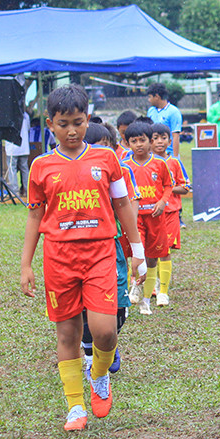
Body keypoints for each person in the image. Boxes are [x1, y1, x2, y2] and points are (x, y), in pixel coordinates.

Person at [20, 84, 145, 432]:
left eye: (77, 122)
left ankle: (100, 375)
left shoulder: (106, 160)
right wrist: (26, 264)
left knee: (104, 331)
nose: (71, 130)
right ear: (50, 124)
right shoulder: (41, 167)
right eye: (63, 124)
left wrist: (137, 252)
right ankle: (75, 406)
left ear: (87, 119)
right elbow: (34, 216)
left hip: (101, 253)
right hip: (59, 258)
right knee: (67, 335)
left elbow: (123, 205)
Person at [80, 122, 140, 378]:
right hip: (80, 252)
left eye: (107, 147)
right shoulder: (72, 172)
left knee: (117, 306)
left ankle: (109, 343)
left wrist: (134, 242)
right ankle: (88, 349)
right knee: (83, 309)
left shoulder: (121, 172)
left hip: (112, 246)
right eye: (96, 147)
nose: (102, 153)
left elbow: (129, 205)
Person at [122, 121, 174, 315]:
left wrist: (162, 201)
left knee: (153, 259)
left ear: (149, 141)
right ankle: (134, 286)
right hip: (135, 220)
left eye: (142, 140)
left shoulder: (160, 164)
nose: (139, 145)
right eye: (133, 141)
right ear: (127, 144)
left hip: (156, 218)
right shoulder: (125, 166)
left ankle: (146, 301)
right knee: (137, 255)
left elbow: (169, 186)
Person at [151, 123, 190, 306]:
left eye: (163, 138)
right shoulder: (146, 163)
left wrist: (167, 187)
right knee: (149, 251)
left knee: (165, 250)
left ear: (169, 140)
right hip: (149, 214)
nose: (159, 142)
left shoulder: (174, 162)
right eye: (155, 138)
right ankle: (151, 285)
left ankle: (163, 291)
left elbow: (186, 187)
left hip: (170, 213)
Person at [146, 83, 183, 157]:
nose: (149, 100)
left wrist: (175, 159)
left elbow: (175, 136)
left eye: (150, 97)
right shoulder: (150, 111)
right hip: (153, 154)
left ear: (156, 96)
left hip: (168, 154)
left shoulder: (174, 112)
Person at [5, 110, 31, 196]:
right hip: (24, 146)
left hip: (12, 147)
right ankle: (28, 191)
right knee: (24, 169)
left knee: (12, 169)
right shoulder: (25, 115)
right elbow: (28, 128)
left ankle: (14, 192)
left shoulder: (8, 114)